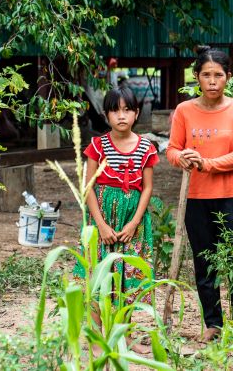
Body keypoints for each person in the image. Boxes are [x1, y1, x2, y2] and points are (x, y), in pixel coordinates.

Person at [165, 46, 233, 343]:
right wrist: (183, 158)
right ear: (197, 77)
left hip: (232, 196)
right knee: (205, 260)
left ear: (229, 77)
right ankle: (212, 323)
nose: (212, 81)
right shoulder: (184, 111)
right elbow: (172, 149)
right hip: (196, 197)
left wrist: (207, 163)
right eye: (206, 75)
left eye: (218, 75)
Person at [74, 87, 159, 352]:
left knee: (128, 275)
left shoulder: (146, 146)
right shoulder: (97, 146)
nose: (121, 116)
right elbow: (87, 186)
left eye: (127, 110)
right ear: (106, 114)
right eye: (115, 110)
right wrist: (100, 224)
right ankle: (97, 334)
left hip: (132, 222)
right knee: (99, 272)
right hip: (102, 219)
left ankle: (127, 334)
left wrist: (134, 223)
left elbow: (146, 188)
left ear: (136, 114)